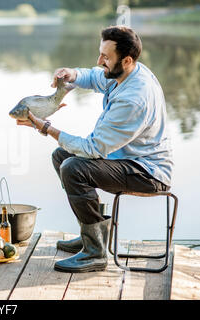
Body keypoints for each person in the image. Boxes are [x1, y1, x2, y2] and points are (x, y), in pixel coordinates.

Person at [16, 26, 173, 273]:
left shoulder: (134, 98)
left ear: (127, 59)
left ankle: (95, 253)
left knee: (73, 167)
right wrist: (71, 74)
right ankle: (91, 234)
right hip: (128, 160)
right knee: (62, 156)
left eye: (105, 57)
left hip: (148, 173)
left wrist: (48, 128)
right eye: (100, 54)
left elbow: (92, 148)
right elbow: (94, 76)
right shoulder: (125, 73)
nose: (99, 61)